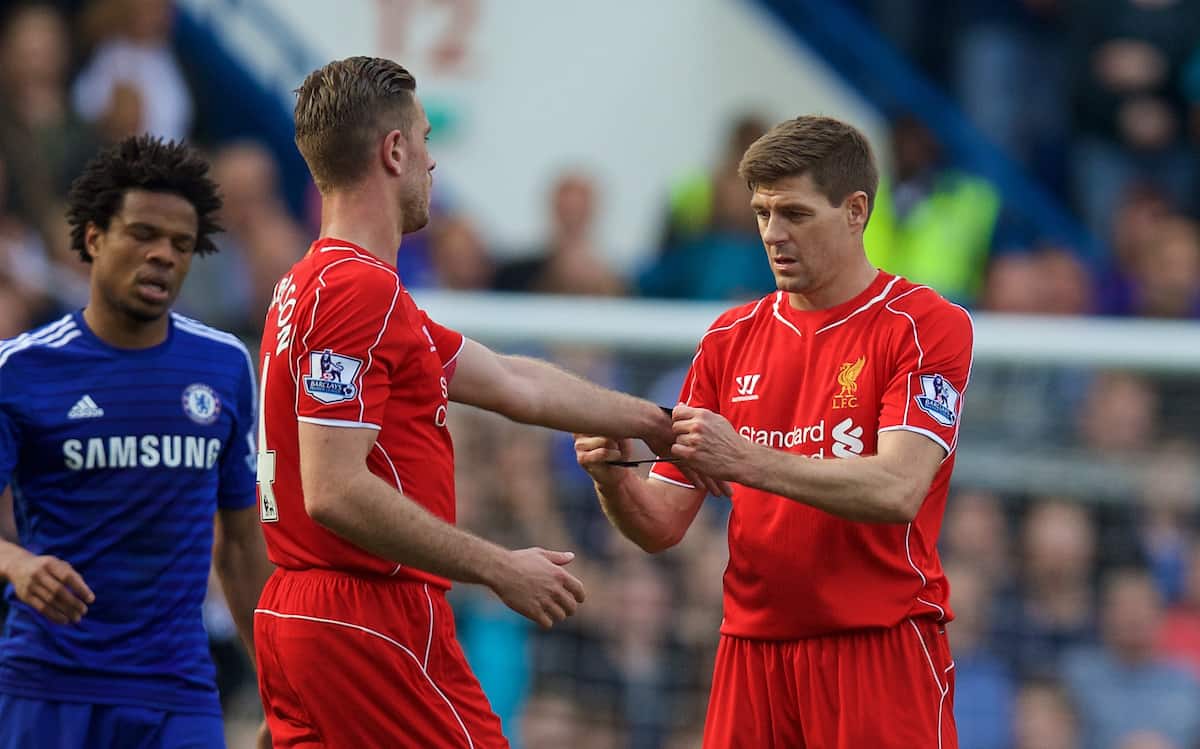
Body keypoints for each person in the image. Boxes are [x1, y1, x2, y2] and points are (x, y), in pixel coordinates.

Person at [253, 56, 721, 748]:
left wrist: (658, 426)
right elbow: (334, 489)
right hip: (367, 613)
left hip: (312, 610)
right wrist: (499, 566)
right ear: (394, 151)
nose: (433, 168)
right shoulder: (356, 292)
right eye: (426, 142)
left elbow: (511, 381)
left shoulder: (321, 285)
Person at [576, 115, 974, 748]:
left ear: (855, 211)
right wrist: (611, 481)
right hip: (751, 653)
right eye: (762, 213)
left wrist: (745, 458)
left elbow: (898, 487)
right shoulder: (729, 339)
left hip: (876, 647)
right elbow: (660, 525)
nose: (772, 234)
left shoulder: (923, 324)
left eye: (794, 213)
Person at [0, 135, 272, 748]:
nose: (163, 257)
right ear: (94, 238)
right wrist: (16, 562)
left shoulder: (224, 366)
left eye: (180, 245)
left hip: (176, 692)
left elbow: (239, 546)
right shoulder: (20, 370)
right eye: (142, 234)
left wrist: (278, 693)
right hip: (49, 686)